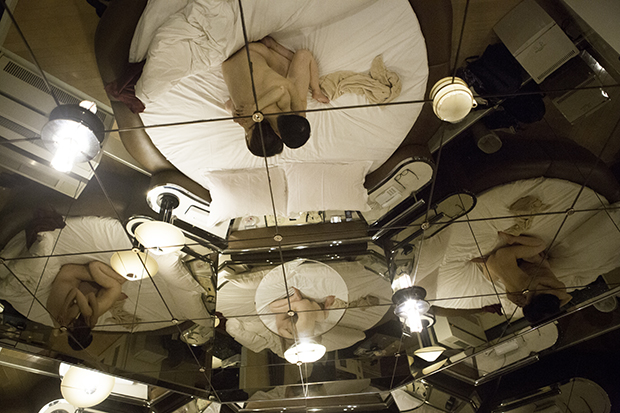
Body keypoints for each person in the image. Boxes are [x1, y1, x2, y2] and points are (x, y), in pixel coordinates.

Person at [222, 37, 329, 157]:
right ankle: (315, 90)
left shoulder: (282, 104)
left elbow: (283, 89)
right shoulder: (246, 118)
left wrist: (300, 108)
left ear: (278, 135)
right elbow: (228, 105)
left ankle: (316, 90)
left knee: (302, 58)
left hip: (253, 51)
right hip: (228, 62)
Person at [472, 232, 572, 324]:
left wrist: (526, 297)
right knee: (541, 246)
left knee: (490, 279)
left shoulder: (525, 298)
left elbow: (509, 290)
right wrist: (532, 293)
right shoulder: (559, 288)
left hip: (515, 264)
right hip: (536, 265)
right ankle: (513, 239)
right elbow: (538, 281)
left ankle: (485, 262)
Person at [46, 261, 127, 350]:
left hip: (70, 273)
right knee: (94, 293)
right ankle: (114, 292)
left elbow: (80, 294)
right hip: (67, 279)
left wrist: (94, 315)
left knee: (96, 277)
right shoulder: (60, 324)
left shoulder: (70, 317)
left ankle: (117, 283)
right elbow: (56, 332)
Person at [269, 287, 337, 339]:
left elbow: (285, 328)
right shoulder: (286, 331)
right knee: (272, 308)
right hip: (303, 307)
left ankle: (327, 304)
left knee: (272, 308)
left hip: (310, 308)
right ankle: (294, 298)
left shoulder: (285, 330)